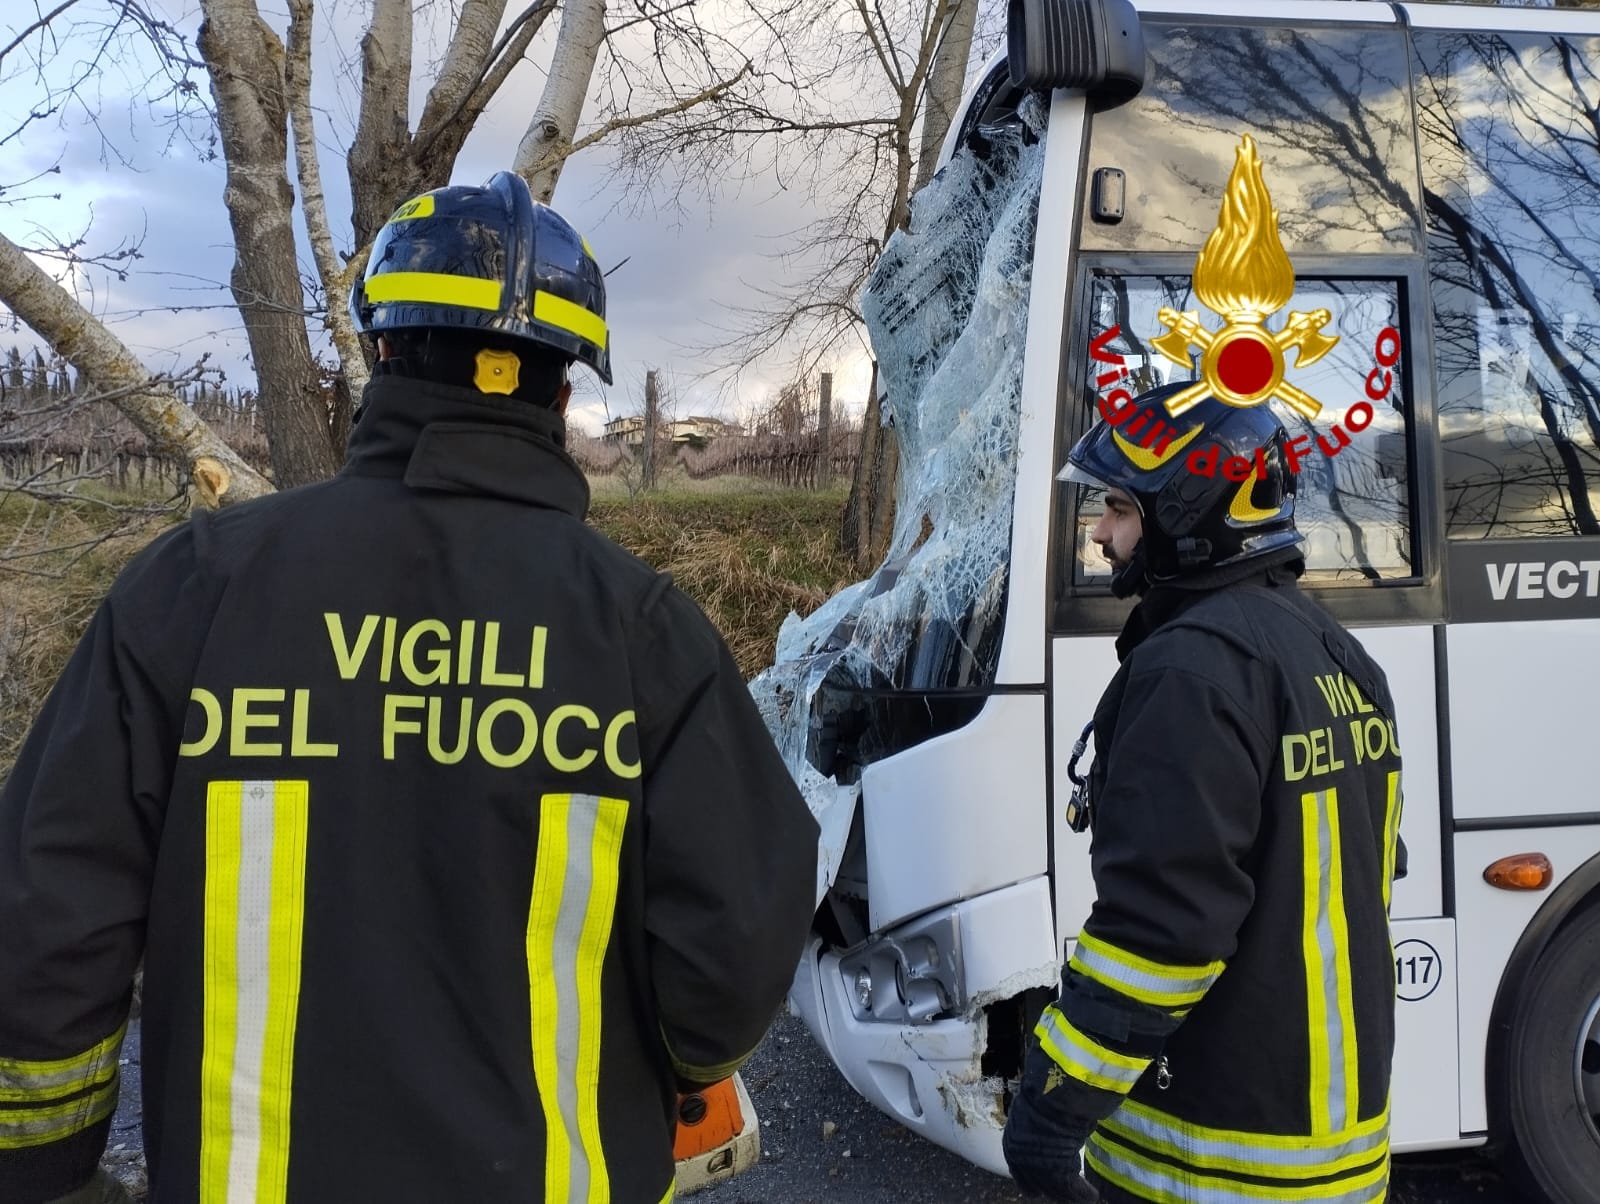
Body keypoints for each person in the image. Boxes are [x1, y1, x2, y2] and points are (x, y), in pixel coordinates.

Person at [0, 172, 819, 1204]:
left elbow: (45, 917)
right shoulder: (641, 634)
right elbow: (740, 943)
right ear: (563, 392)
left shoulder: (195, 591)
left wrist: (46, 1173)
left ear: (380, 354)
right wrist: (676, 1068)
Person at [1002, 382, 1405, 1203]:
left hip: (1214, 1161)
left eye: (1117, 507)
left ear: (1187, 512)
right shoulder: (1337, 654)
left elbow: (1160, 935)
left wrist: (1052, 1106)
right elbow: (1370, 879)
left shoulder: (1190, 673)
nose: (1102, 534)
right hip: (1335, 1158)